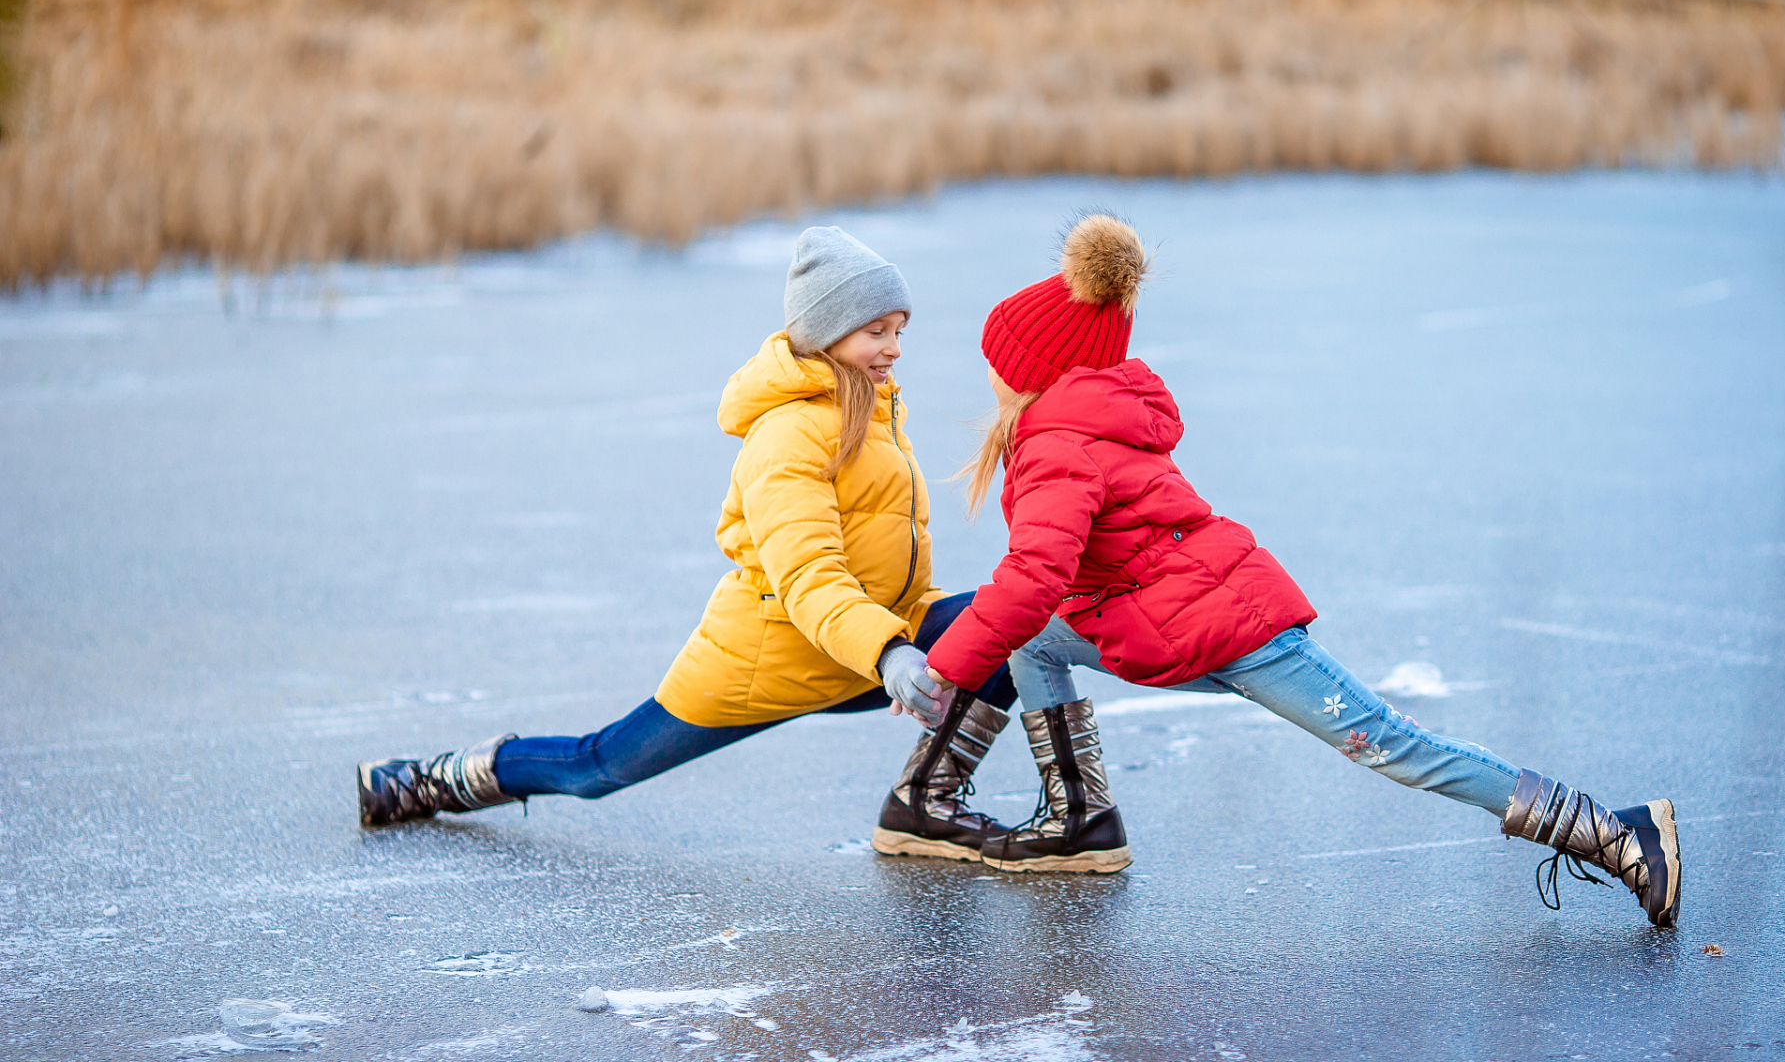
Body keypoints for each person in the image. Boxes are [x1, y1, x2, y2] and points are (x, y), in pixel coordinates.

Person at [921, 214, 1682, 927]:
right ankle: (1079, 819)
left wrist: (947, 668)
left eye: (997, 357)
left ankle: (1616, 833)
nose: (988, 371)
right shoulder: (1080, 425)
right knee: (1039, 642)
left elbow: (1031, 579)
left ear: (1034, 369)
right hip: (1169, 627)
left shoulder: (1059, 441)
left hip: (1238, 632)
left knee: (1395, 747)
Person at [357, 226, 1041, 864]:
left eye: (898, 330)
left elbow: (887, 558)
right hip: (769, 662)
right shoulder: (789, 436)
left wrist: (913, 631)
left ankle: (924, 804)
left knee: (1012, 625)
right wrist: (891, 651)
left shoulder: (877, 410)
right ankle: (435, 780)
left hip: (864, 646)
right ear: (828, 335)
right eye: (875, 330)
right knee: (598, 767)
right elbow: (808, 575)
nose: (893, 346)